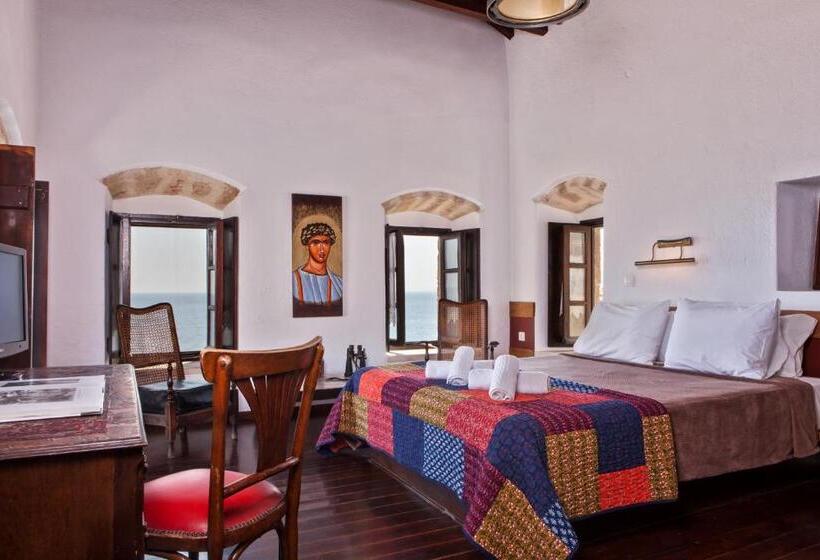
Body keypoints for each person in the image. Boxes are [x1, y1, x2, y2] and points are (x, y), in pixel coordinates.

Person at [292, 222, 343, 306]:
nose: (321, 249)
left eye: (326, 242)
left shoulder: (339, 283)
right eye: (315, 242)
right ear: (307, 246)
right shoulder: (293, 279)